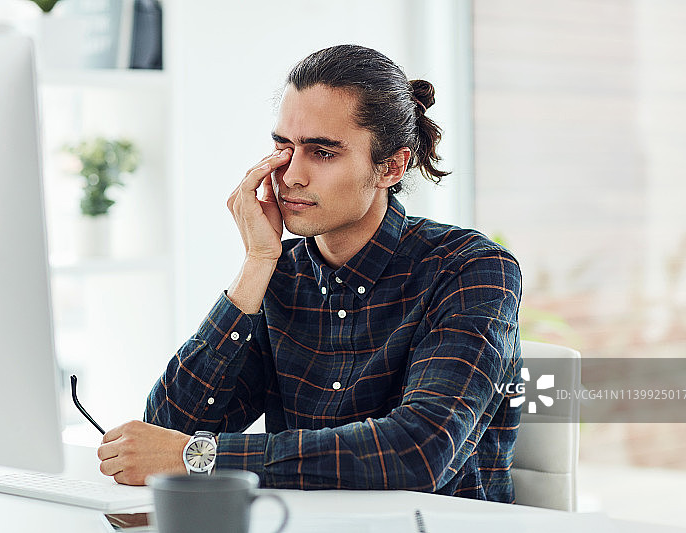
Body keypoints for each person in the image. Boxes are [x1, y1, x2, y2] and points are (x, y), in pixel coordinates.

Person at [97, 44, 523, 502]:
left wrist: (199, 458)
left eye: (321, 152)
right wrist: (257, 262)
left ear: (391, 167)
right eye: (284, 147)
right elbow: (166, 433)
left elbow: (417, 453)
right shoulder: (279, 273)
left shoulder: (471, 269)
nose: (290, 176)